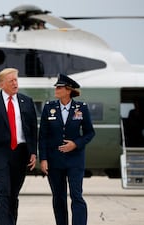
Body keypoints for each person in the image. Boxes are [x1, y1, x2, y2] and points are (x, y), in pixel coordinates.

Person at [0, 68, 37, 225]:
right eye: (11, 81)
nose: (15, 83)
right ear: (1, 84)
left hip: (20, 153)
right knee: (3, 190)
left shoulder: (27, 101)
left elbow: (32, 129)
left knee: (13, 194)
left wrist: (33, 152)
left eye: (16, 80)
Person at [39, 74, 95, 225]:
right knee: (58, 197)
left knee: (76, 195)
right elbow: (42, 136)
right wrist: (43, 159)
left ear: (68, 90)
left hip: (75, 160)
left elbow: (90, 133)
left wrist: (75, 144)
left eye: (59, 87)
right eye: (56, 87)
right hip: (54, 160)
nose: (56, 90)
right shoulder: (49, 107)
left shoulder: (81, 108)